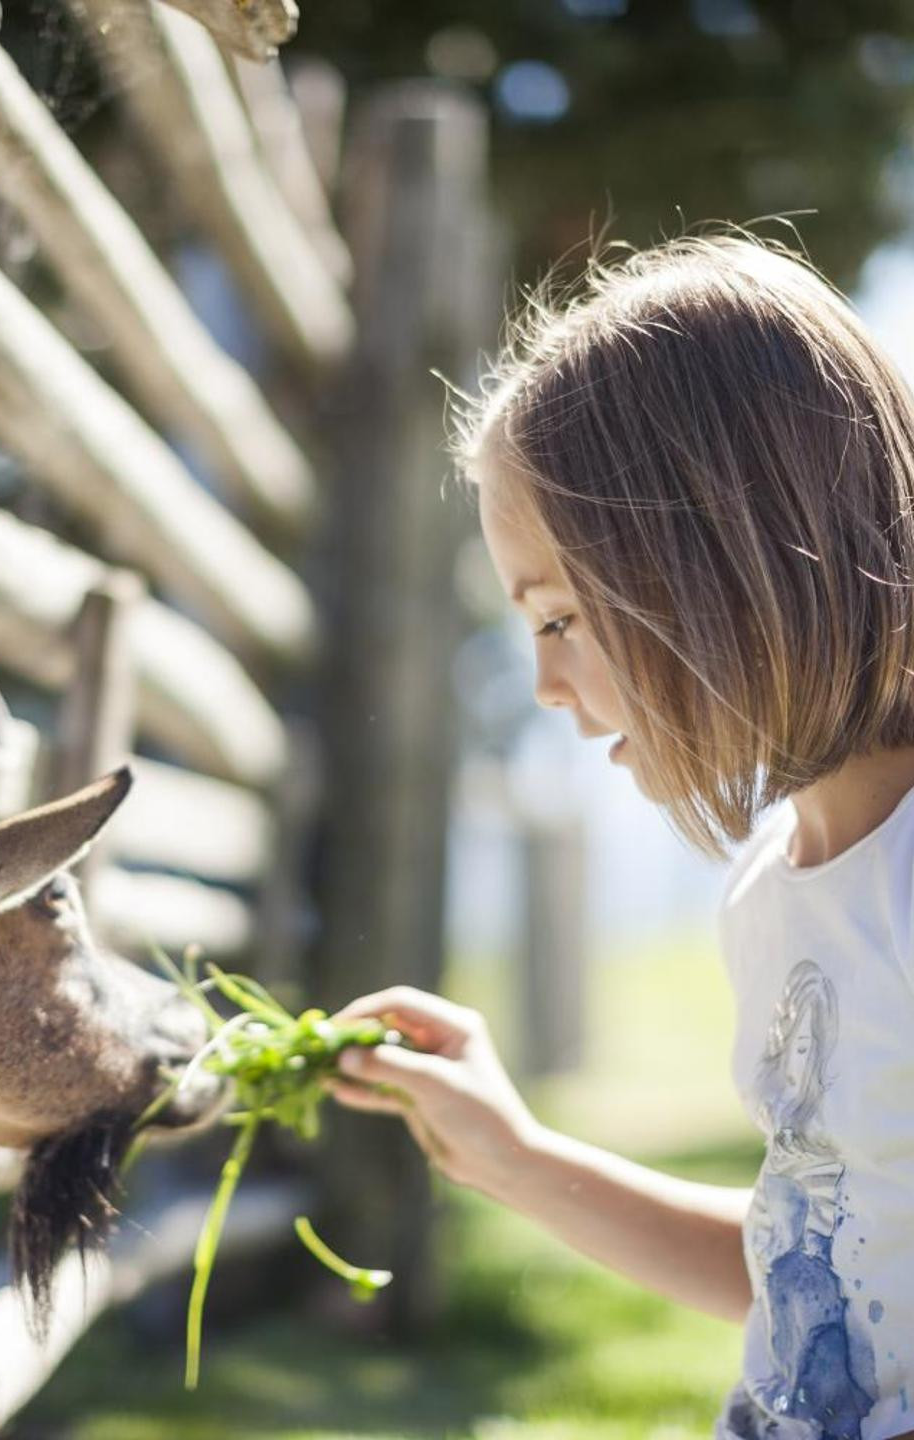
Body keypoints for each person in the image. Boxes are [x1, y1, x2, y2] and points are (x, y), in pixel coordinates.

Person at [329, 231, 914, 1440]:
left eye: (559, 618)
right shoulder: (774, 893)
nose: (545, 685)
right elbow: (818, 1287)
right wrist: (516, 1157)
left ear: (720, 564)